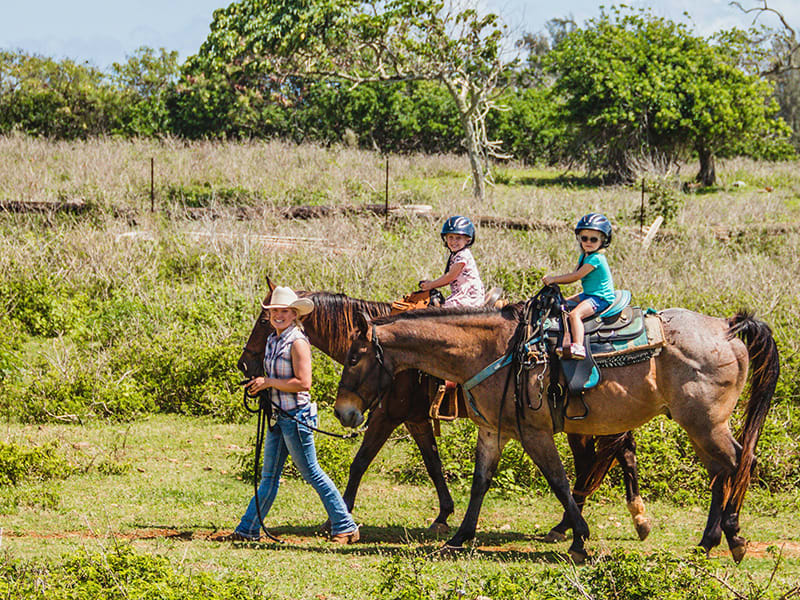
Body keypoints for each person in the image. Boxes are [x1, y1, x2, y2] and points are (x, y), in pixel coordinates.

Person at [228, 286, 359, 543]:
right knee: (269, 477)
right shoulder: (272, 340)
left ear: (295, 314)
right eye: (275, 311)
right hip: (280, 417)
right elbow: (274, 379)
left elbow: (303, 383)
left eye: (284, 311)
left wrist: (269, 383)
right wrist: (260, 387)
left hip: (296, 417)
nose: (279, 315)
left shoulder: (298, 342)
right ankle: (247, 529)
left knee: (311, 472)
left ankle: (345, 525)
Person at [542, 213, 615, 360]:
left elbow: (576, 276)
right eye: (584, 238)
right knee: (564, 303)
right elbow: (573, 272)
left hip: (600, 297)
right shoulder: (585, 256)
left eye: (593, 239)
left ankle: (578, 346)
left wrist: (553, 279)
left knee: (575, 314)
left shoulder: (596, 259)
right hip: (589, 294)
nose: (588, 242)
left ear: (603, 241)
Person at [420, 215, 485, 308]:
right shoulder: (455, 255)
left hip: (469, 296)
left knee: (441, 314)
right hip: (460, 294)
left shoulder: (463, 256)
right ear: (445, 238)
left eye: (458, 238)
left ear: (467, 240)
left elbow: (450, 276)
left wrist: (431, 285)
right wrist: (431, 283)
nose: (454, 241)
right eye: (450, 237)